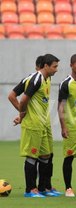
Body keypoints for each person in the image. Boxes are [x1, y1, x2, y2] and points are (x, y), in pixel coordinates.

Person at [8, 55, 61, 197]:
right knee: (32, 156)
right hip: (33, 124)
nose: (57, 69)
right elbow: (16, 97)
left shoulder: (47, 79)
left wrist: (22, 114)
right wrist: (22, 113)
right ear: (46, 66)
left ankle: (43, 188)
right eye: (55, 66)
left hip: (44, 123)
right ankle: (30, 189)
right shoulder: (36, 79)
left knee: (45, 155)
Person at [58, 54, 76, 197]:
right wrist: (63, 127)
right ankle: (68, 188)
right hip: (72, 127)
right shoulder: (66, 84)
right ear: (71, 65)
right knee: (68, 158)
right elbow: (61, 107)